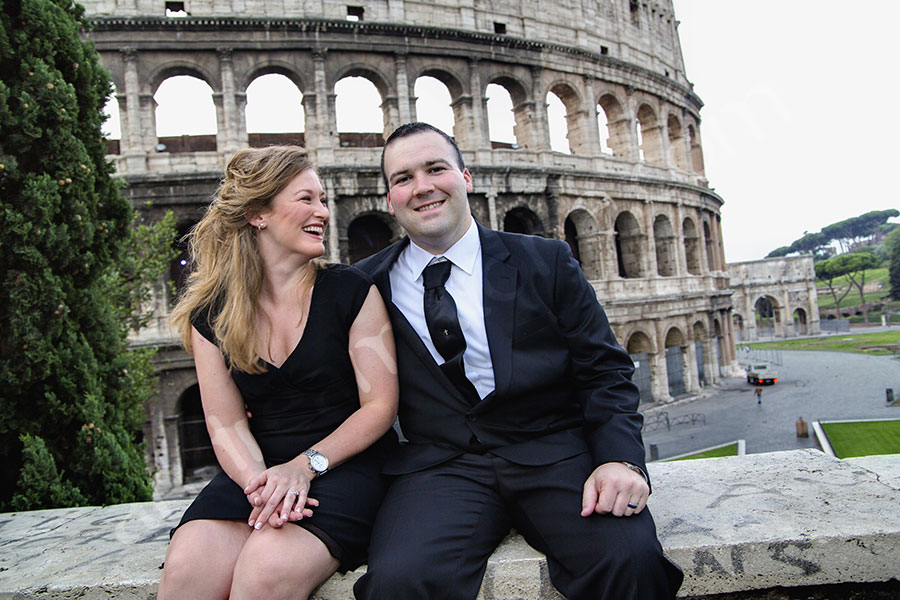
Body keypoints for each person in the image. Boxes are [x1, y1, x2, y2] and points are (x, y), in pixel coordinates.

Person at [353, 122, 683, 600]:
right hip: (442, 468)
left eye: (435, 169)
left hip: (554, 453)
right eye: (403, 178)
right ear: (390, 198)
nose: (421, 186)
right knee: (397, 582)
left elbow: (605, 371)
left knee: (630, 562)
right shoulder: (365, 285)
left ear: (465, 178)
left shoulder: (545, 261)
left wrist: (620, 459)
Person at [158, 146, 399, 600]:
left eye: (323, 200)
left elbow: (380, 406)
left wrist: (304, 468)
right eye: (306, 199)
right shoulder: (212, 314)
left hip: (345, 463)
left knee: (264, 571)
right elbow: (225, 423)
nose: (322, 212)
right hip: (258, 471)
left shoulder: (350, 290)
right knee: (186, 571)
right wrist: (260, 486)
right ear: (258, 214)